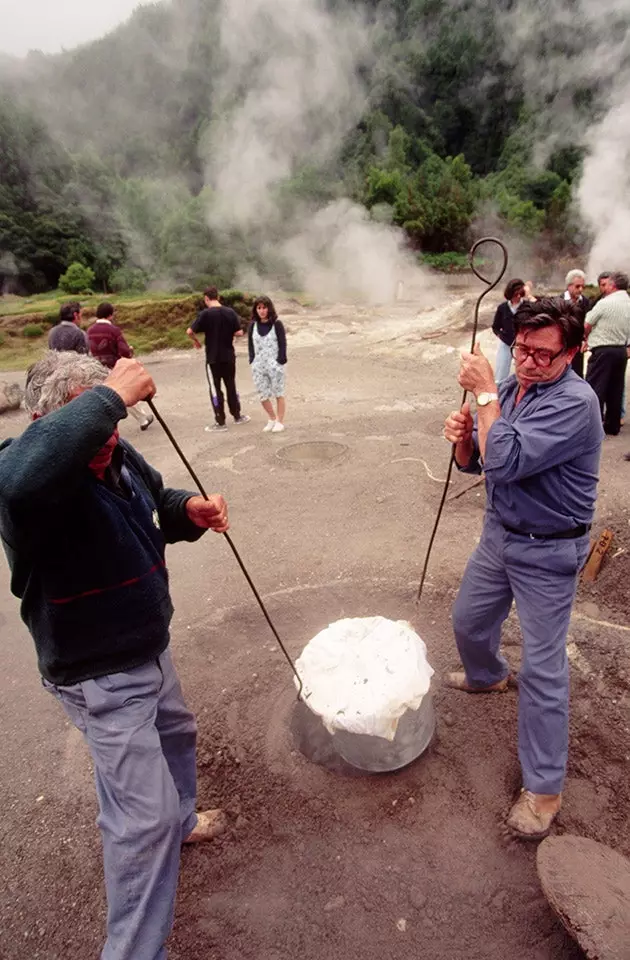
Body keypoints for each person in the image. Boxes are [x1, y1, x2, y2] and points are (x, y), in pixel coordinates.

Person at [0, 351, 230, 959]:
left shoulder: (117, 455)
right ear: (45, 421)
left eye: (114, 426)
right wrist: (111, 399)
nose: (108, 438)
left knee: (178, 733)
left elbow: (155, 503)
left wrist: (189, 512)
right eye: (95, 425)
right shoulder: (30, 482)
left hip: (148, 649)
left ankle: (182, 824)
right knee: (140, 822)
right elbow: (17, 479)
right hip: (98, 673)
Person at [443, 298, 603, 840]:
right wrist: (465, 438)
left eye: (544, 354)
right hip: (500, 537)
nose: (530, 363)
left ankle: (544, 789)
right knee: (467, 621)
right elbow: (483, 462)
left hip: (548, 551)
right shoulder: (513, 389)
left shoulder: (578, 403)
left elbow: (507, 462)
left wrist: (486, 392)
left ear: (574, 351)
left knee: (543, 669)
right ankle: (488, 676)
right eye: (522, 350)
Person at [186, 287, 250, 432]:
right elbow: (239, 332)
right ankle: (237, 416)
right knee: (231, 385)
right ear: (218, 297)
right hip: (228, 356)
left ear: (206, 299)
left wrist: (196, 342)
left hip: (213, 358)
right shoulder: (230, 312)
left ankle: (220, 422)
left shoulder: (205, 314)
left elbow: (190, 331)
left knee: (216, 389)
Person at [87, 302, 154, 431]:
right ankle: (143, 419)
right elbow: (123, 351)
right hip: (113, 368)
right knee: (124, 393)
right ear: (110, 315)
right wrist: (129, 352)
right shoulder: (113, 330)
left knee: (100, 398)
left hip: (96, 368)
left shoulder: (90, 331)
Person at [585, 271, 630, 436]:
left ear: (613, 285)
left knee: (595, 388)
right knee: (616, 389)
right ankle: (613, 426)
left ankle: (591, 427)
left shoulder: (605, 303)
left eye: (608, 284)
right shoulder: (628, 302)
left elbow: (587, 323)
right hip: (621, 350)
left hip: (603, 349)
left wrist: (585, 337)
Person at [248, 295, 288, 432]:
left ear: (269, 308)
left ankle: (280, 421)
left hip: (274, 364)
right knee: (262, 394)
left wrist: (280, 361)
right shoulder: (252, 325)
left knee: (278, 393)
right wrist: (252, 360)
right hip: (258, 366)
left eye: (264, 307)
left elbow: (283, 344)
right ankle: (271, 418)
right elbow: (250, 345)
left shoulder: (277, 324)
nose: (261, 311)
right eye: (259, 308)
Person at [491, 279, 525, 383]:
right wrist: (501, 336)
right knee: (501, 372)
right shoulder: (502, 308)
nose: (518, 297)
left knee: (524, 372)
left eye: (520, 294)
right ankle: (499, 393)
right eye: (516, 294)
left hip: (522, 345)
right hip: (505, 343)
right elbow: (495, 326)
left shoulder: (527, 306)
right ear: (510, 294)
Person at [563, 269, 590, 378]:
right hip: (562, 343)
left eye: (583, 287)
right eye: (577, 286)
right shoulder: (558, 300)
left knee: (577, 374)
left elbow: (588, 321)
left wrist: (585, 339)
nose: (580, 289)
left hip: (578, 346)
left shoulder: (585, 302)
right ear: (569, 286)